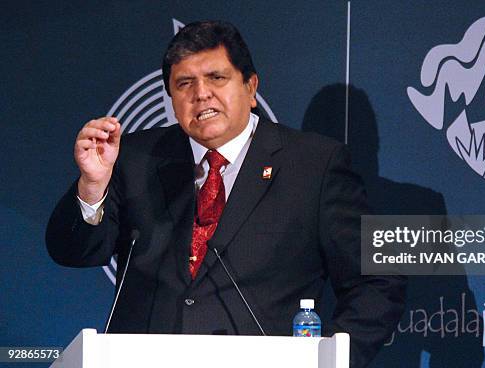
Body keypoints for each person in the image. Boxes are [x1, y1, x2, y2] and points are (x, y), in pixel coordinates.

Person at [46, 20, 406, 368]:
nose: (201, 93)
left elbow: (378, 280)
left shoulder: (315, 164)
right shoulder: (134, 157)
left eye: (216, 78)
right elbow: (74, 253)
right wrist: (93, 185)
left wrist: (327, 361)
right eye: (184, 83)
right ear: (171, 97)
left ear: (251, 88)